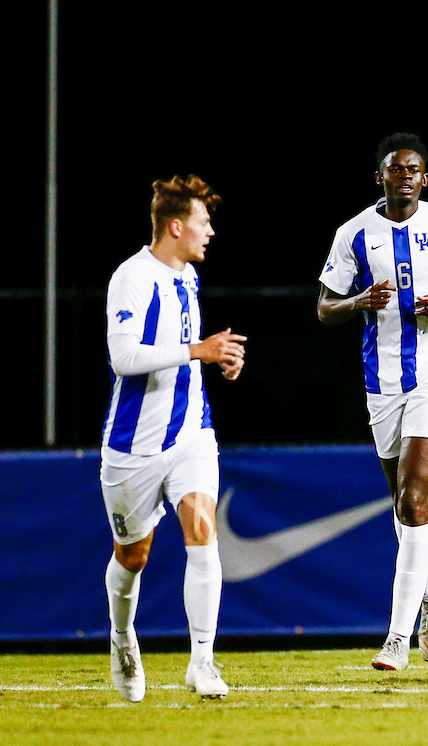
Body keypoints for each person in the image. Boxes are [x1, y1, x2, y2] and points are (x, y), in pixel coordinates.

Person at [317, 132, 428, 670]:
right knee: (403, 508)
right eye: (397, 169)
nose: (406, 177)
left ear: (425, 179)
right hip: (382, 380)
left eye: (414, 170)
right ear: (381, 177)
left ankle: (397, 636)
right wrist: (358, 301)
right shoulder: (353, 234)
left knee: (415, 496)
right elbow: (324, 307)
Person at [100, 175, 247, 702]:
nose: (210, 232)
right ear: (177, 225)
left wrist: (218, 361)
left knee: (203, 526)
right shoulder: (132, 278)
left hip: (191, 432)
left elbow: (188, 354)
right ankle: (122, 636)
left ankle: (202, 663)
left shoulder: (187, 276)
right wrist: (197, 351)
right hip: (133, 446)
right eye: (203, 223)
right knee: (133, 557)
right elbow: (125, 359)